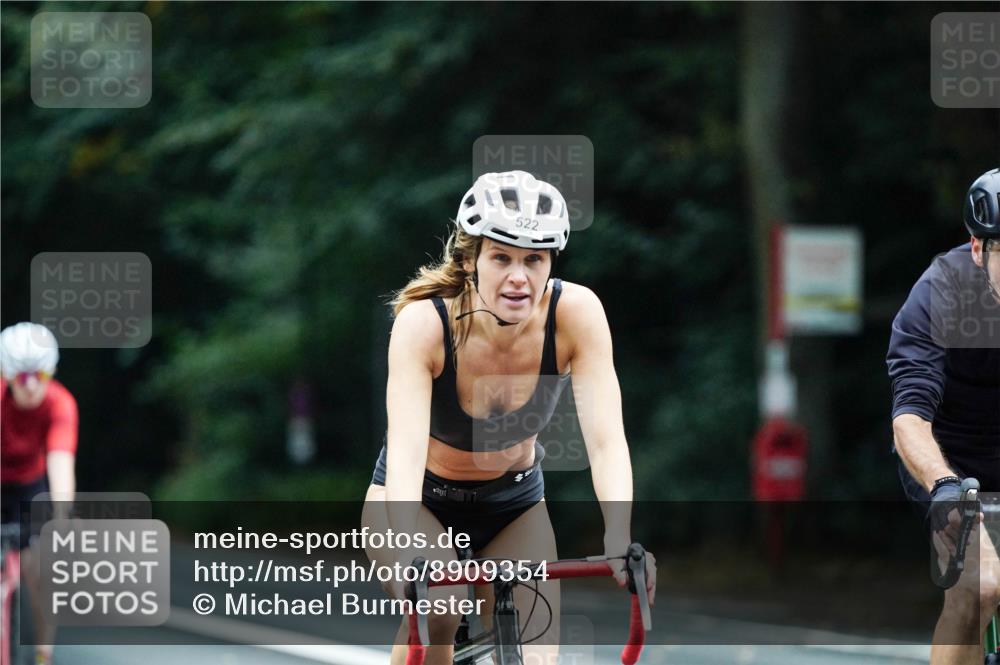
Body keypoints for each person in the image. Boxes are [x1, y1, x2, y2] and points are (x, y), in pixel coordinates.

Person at [361, 171, 657, 665]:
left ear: (550, 263)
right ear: (470, 259)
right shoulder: (424, 324)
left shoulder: (576, 313)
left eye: (534, 260)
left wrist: (618, 536)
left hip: (513, 504)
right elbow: (408, 452)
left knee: (537, 653)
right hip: (419, 502)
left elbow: (606, 442)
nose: (519, 277)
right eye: (501, 258)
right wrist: (408, 544)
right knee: (441, 606)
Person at [887, 168, 1000, 664]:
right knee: (979, 588)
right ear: (979, 249)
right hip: (950, 462)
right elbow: (910, 419)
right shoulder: (941, 294)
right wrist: (944, 486)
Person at [1, 322, 78, 665]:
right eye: (21, 378)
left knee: (42, 570)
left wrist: (61, 518)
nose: (31, 387)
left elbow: (61, 465)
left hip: (30, 486)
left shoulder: (61, 404)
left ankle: (43, 655)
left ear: (52, 372)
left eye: (40, 377)